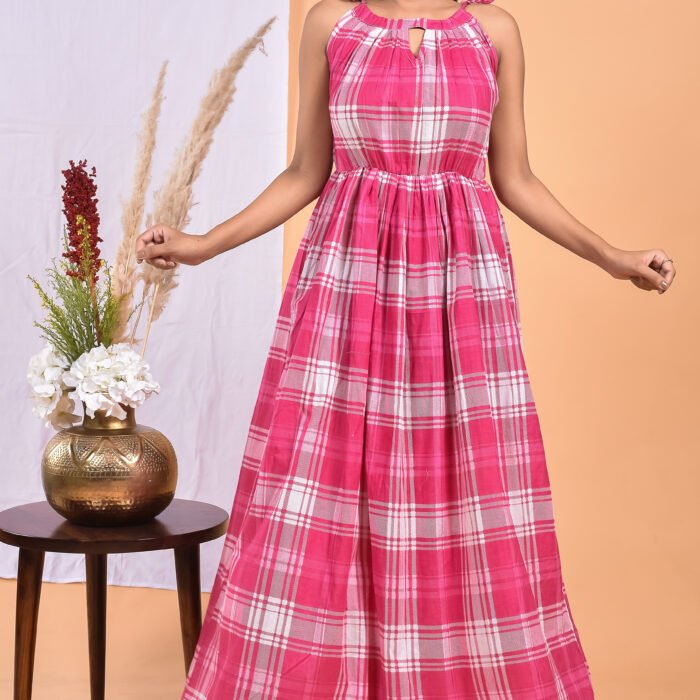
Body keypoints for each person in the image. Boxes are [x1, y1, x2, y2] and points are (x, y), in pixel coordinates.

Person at [136, 1, 675, 697]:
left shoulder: (495, 32)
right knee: (319, 488)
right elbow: (306, 170)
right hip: (345, 290)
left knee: (466, 488)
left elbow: (516, 179)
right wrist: (204, 245)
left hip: (460, 299)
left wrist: (612, 256)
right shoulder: (334, 24)